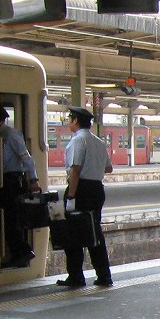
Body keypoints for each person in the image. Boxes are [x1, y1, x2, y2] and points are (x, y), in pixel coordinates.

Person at [58, 106, 113, 288]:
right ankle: (104, 275)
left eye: (70, 119)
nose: (68, 122)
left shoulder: (78, 140)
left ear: (75, 120)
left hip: (80, 190)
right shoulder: (99, 142)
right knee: (94, 233)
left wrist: (71, 197)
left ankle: (76, 276)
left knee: (73, 233)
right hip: (97, 189)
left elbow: (75, 170)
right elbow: (108, 168)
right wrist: (94, 166)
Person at [0, 106, 42, 269]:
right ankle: (20, 253)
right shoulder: (0, 134)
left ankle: (23, 251)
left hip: (14, 182)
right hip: (6, 181)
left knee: (11, 220)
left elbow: (26, 158)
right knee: (8, 219)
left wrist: (33, 180)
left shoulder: (11, 135)